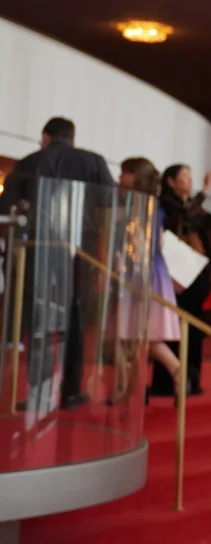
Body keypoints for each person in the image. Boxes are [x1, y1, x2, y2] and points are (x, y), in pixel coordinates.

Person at [0, 117, 114, 410]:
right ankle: (71, 389)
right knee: (75, 312)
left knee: (40, 314)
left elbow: (6, 208)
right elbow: (112, 203)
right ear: (72, 138)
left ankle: (41, 391)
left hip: (38, 246)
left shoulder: (28, 163)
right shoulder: (94, 162)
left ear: (45, 137)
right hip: (82, 250)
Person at [149, 164, 211, 397]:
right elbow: (185, 217)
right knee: (174, 327)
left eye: (190, 176)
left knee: (192, 328)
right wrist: (203, 194)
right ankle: (169, 381)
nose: (189, 181)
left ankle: (190, 378)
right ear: (171, 181)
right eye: (184, 176)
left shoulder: (189, 205)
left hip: (193, 273)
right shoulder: (165, 203)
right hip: (175, 275)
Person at [116, 158, 182, 400]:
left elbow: (139, 246)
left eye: (124, 173)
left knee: (134, 332)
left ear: (134, 176)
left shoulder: (139, 206)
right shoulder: (154, 207)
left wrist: (125, 263)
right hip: (152, 271)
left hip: (141, 273)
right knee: (135, 334)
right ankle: (130, 387)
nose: (120, 178)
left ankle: (130, 386)